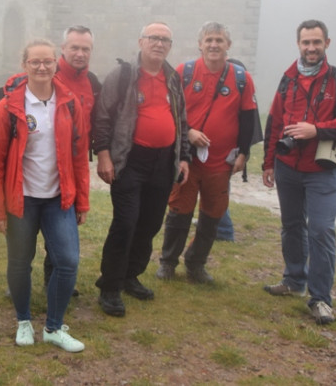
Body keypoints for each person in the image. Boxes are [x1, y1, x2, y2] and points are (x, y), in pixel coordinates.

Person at [261, 19, 336, 325]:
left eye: (316, 42)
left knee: (321, 231)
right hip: (287, 168)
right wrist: (268, 163)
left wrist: (317, 130)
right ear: (298, 44)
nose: (311, 48)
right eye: (306, 42)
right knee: (292, 225)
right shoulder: (288, 79)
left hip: (322, 170)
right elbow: (274, 123)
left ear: (327, 44)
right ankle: (294, 280)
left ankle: (321, 298)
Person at [0, 39, 89, 353]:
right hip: (23, 199)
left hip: (59, 199)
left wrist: (82, 201)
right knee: (20, 262)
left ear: (56, 63)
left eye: (47, 61)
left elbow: (80, 155)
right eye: (35, 62)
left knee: (68, 262)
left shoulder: (70, 103)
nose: (42, 67)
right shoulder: (9, 107)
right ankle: (23, 321)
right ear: (25, 65)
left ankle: (54, 328)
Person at [92, 22, 190, 317]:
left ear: (170, 46)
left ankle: (130, 276)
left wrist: (183, 156)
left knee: (150, 224)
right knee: (125, 223)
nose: (159, 44)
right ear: (141, 42)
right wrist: (104, 155)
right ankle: (109, 286)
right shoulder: (122, 75)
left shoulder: (173, 78)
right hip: (130, 160)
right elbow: (102, 118)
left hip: (163, 163)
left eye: (165, 40)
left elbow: (182, 120)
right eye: (153, 38)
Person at [156, 22, 258, 284]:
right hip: (188, 159)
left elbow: (248, 119)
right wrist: (188, 132)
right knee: (179, 210)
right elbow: (168, 110)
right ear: (200, 44)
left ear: (228, 46)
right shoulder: (184, 72)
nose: (214, 44)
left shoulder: (241, 78)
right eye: (209, 40)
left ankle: (196, 263)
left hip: (221, 161)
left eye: (219, 40)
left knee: (213, 214)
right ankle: (168, 262)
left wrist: (243, 155)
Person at [43, 26, 100, 292]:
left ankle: (54, 275)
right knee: (30, 222)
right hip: (43, 162)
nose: (79, 53)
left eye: (85, 49)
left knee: (63, 220)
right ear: (62, 48)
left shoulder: (93, 83)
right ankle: (18, 275)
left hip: (74, 164)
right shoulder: (46, 75)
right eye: (74, 47)